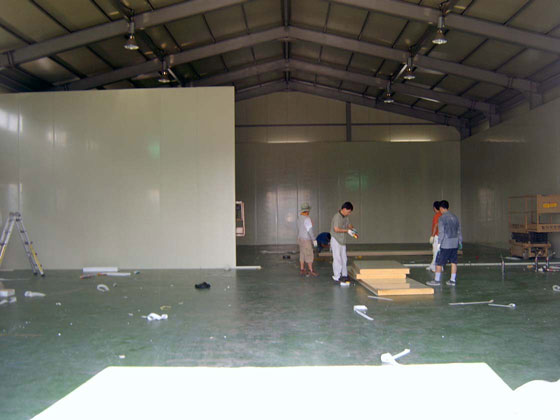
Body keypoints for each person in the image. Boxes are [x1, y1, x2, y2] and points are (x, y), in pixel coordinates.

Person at [427, 200, 462, 287]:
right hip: (455, 243)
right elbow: (459, 231)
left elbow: (441, 232)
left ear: (441, 208)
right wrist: (460, 242)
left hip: (446, 244)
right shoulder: (455, 217)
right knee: (454, 262)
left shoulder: (442, 218)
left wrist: (439, 244)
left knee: (439, 262)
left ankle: (437, 280)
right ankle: (452, 280)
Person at [330, 202, 355, 282]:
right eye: (348, 211)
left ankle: (344, 275)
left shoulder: (346, 217)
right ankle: (337, 276)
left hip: (342, 240)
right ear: (344, 209)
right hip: (336, 240)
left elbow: (349, 225)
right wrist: (347, 231)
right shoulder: (337, 217)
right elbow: (336, 229)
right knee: (337, 258)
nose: (349, 213)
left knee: (344, 258)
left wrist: (352, 229)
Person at [297, 203, 318, 277]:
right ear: (307, 211)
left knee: (302, 253)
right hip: (306, 239)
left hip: (300, 238)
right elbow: (310, 231)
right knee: (309, 254)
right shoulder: (307, 218)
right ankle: (311, 270)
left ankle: (302, 269)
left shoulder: (299, 218)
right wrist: (314, 240)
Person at [426, 201, 441, 272]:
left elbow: (435, 225)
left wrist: (432, 235)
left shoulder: (437, 215)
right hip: (441, 236)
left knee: (435, 252)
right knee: (437, 252)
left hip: (437, 236)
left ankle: (435, 267)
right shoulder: (442, 215)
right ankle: (433, 265)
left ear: (434, 208)